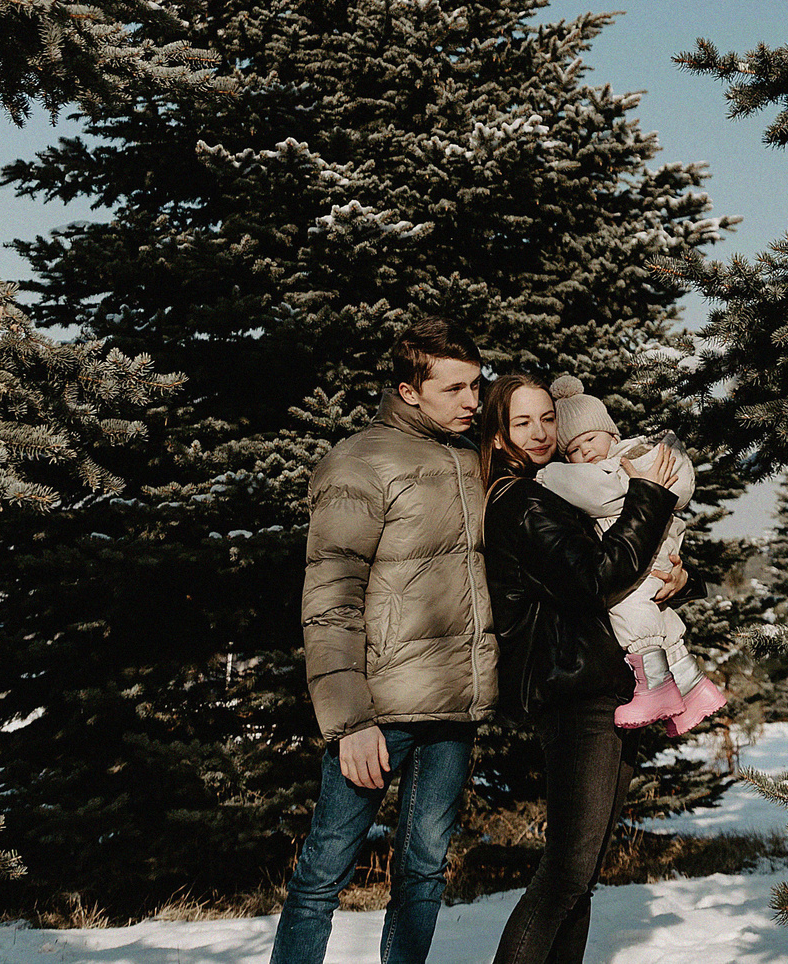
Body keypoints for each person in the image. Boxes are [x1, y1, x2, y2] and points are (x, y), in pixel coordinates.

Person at [271, 319, 496, 964]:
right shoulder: (359, 461)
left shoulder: (472, 460)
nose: (471, 403)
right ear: (407, 389)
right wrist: (350, 721)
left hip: (453, 706)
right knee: (323, 874)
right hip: (379, 713)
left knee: (424, 874)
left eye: (475, 388)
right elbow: (330, 598)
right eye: (453, 389)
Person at [481, 371, 684, 964]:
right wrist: (648, 492)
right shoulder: (518, 501)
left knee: (582, 876)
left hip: (601, 688)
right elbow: (596, 578)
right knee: (565, 875)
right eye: (523, 422)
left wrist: (677, 580)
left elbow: (620, 578)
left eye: (548, 418)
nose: (542, 432)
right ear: (497, 435)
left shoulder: (550, 491)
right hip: (576, 696)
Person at [537, 374, 728, 734]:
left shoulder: (622, 466)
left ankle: (655, 688)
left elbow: (600, 493)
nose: (585, 453)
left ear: (611, 434)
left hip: (644, 552)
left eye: (590, 439)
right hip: (657, 551)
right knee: (660, 619)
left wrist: (548, 476)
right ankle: (691, 687)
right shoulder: (640, 459)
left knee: (627, 608)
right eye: (573, 451)